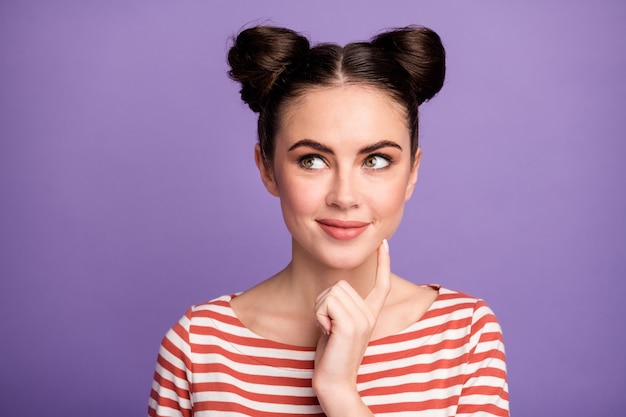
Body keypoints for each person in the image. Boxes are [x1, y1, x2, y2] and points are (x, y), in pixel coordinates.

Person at [148, 24, 509, 417]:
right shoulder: (199, 345)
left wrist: (339, 392)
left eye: (375, 161)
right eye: (312, 160)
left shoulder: (463, 333)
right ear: (267, 169)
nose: (344, 197)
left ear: (413, 172)